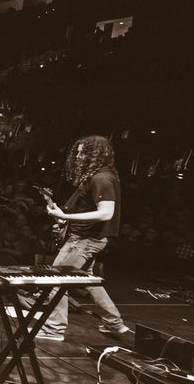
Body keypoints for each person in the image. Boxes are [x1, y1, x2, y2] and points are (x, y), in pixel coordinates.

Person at [35, 136, 129, 340]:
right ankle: (115, 324)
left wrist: (65, 216)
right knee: (88, 280)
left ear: (94, 154)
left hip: (85, 240)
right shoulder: (99, 176)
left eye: (81, 152)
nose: (77, 156)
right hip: (86, 237)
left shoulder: (101, 178)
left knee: (55, 280)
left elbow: (106, 213)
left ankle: (54, 329)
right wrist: (62, 214)